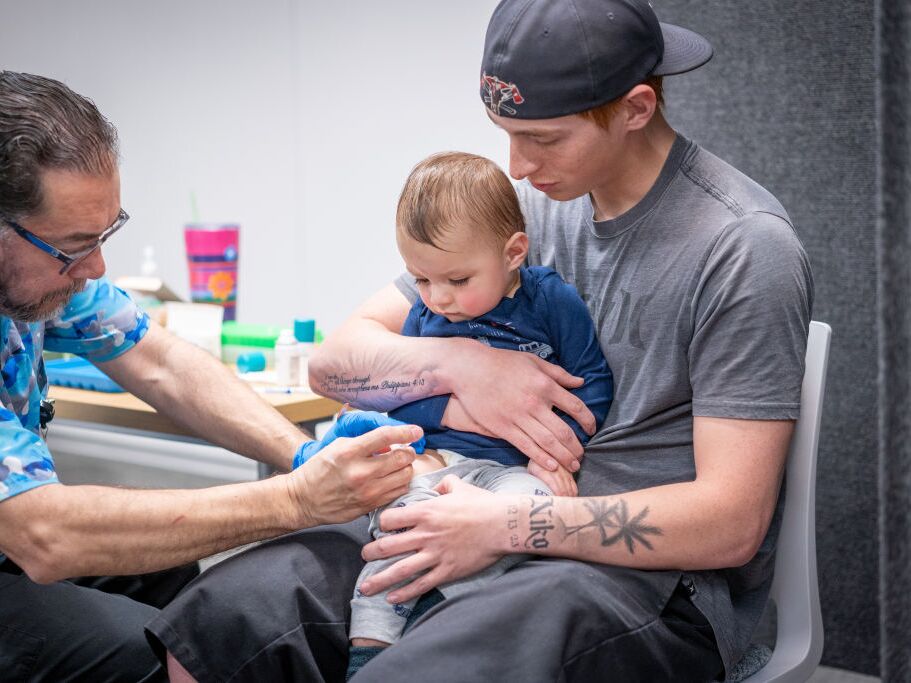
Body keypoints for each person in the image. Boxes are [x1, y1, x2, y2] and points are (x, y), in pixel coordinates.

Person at [150, 1, 813, 681]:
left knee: (417, 665)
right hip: (462, 499)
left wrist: (507, 524)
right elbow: (335, 364)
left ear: (636, 108)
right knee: (224, 617)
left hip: (645, 582)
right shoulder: (528, 208)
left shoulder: (740, 245)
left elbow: (732, 522)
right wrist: (460, 364)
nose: (517, 166)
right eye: (505, 133)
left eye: (543, 138)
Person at [0, 70, 424, 682]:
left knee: (178, 597)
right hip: (21, 538)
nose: (95, 266)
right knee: (142, 654)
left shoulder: (49, 276)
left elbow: (161, 362)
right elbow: (44, 534)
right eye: (73, 246)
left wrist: (303, 455)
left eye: (106, 233)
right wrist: (299, 500)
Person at [339, 151, 613, 678]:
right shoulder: (424, 313)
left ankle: (442, 618)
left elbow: (590, 383)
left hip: (514, 471)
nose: (438, 299)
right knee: (402, 526)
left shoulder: (551, 301)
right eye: (420, 279)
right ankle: (368, 648)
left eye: (458, 280)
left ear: (513, 253)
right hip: (437, 460)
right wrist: (452, 409)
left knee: (532, 514)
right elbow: (399, 394)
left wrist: (555, 451)